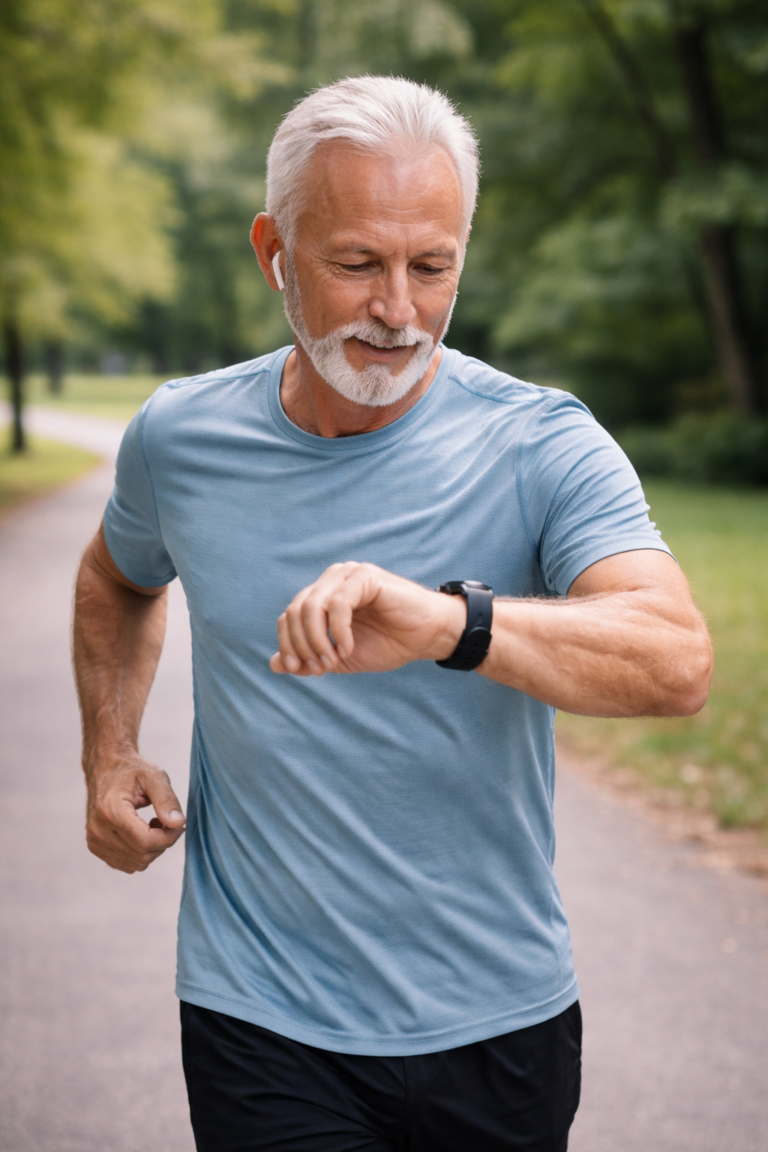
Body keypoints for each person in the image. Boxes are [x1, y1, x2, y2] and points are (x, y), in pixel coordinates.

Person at [73, 76, 713, 1152]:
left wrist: (445, 624)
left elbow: (676, 659)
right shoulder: (178, 438)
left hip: (500, 1022)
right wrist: (109, 752)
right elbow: (117, 579)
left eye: (433, 267)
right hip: (259, 1015)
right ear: (276, 253)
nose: (399, 311)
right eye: (358, 264)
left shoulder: (541, 444)